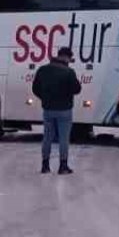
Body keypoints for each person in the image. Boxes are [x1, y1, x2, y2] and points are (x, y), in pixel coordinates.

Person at [31, 46, 82, 174]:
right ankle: (63, 166)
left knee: (47, 137)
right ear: (66, 57)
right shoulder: (69, 72)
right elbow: (77, 89)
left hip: (48, 109)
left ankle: (45, 165)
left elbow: (35, 88)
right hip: (64, 110)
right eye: (70, 58)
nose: (69, 61)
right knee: (64, 138)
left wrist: (45, 98)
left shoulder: (43, 70)